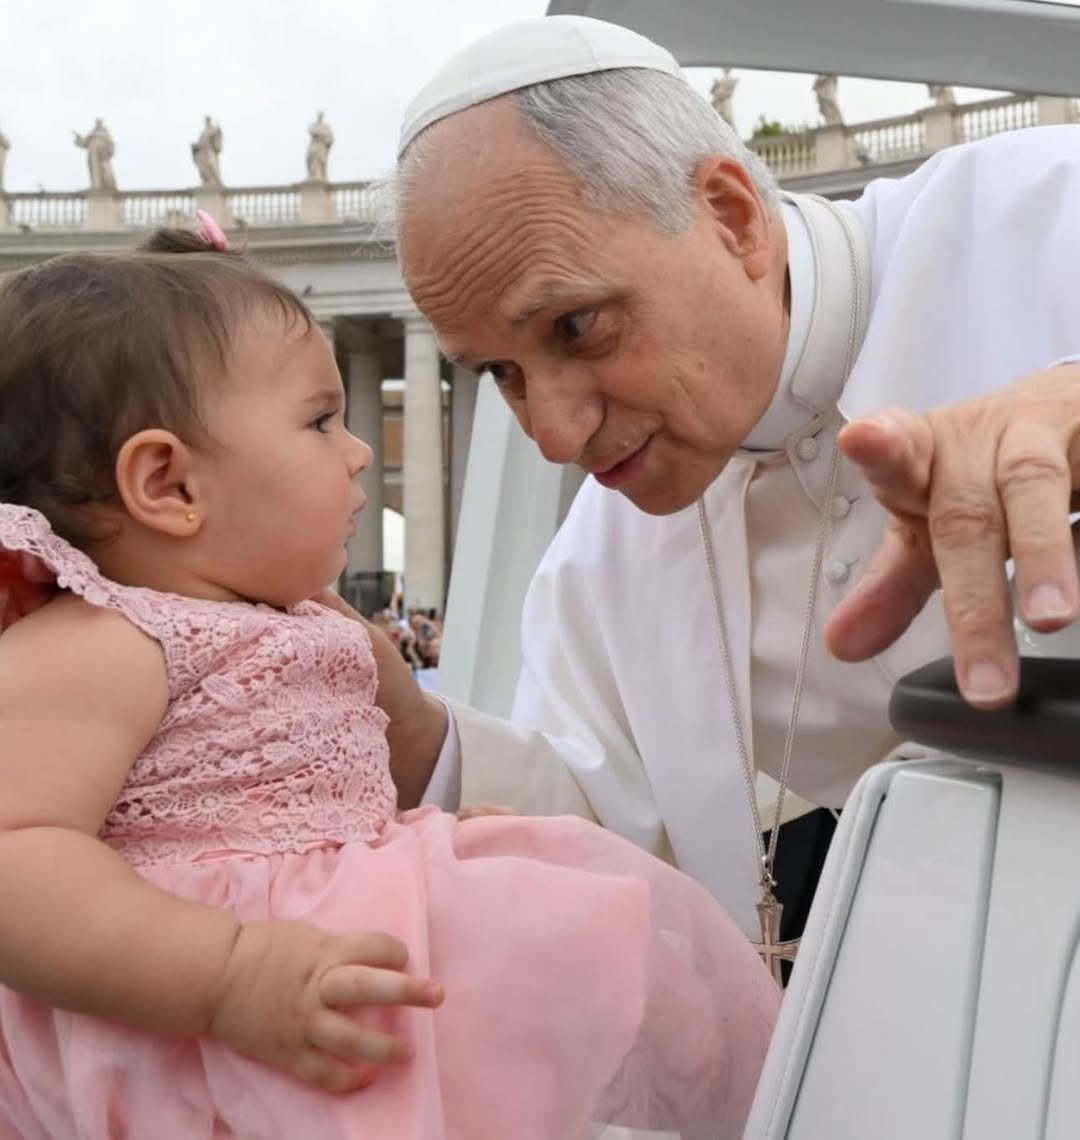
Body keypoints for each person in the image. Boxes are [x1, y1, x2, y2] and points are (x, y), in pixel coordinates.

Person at [0, 218, 779, 1140]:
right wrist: (230, 973)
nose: (361, 447)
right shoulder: (106, 640)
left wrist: (427, 843)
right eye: (321, 420)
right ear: (168, 484)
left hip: (320, 1016)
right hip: (197, 1047)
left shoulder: (288, 625)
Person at [375, 14, 1080, 943]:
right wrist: (413, 732)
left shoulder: (1043, 209)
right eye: (499, 373)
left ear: (733, 217)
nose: (552, 435)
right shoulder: (604, 551)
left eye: (578, 327)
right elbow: (602, 824)